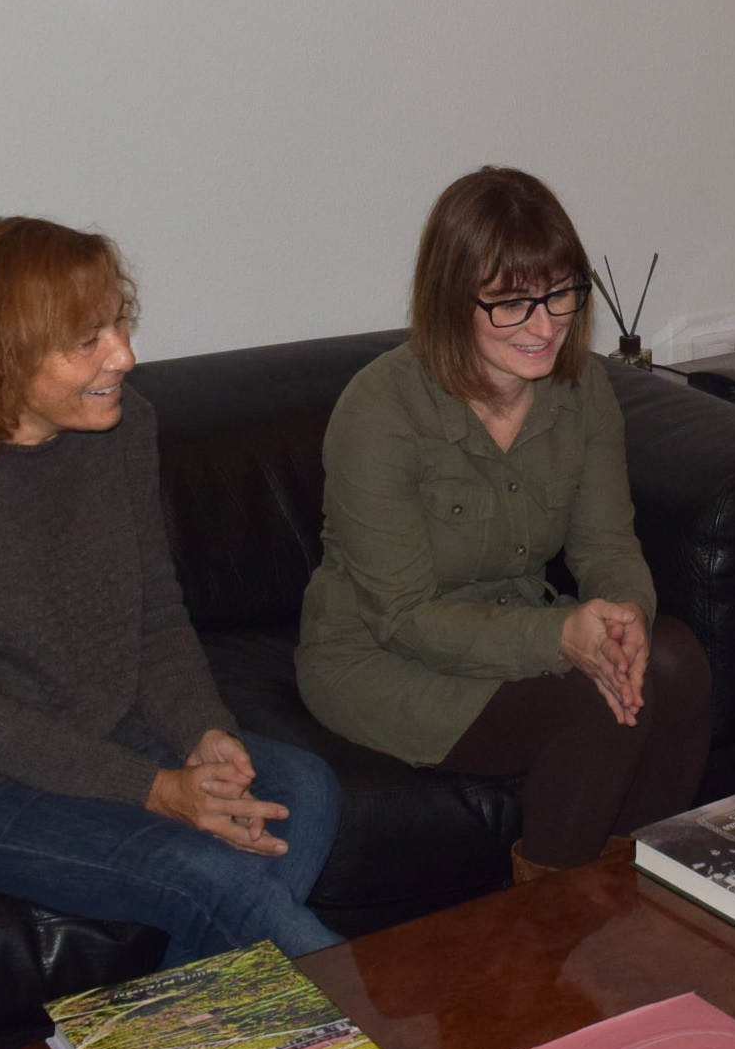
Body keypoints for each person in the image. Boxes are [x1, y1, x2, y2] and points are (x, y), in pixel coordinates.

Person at [0, 218, 342, 967]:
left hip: (101, 732)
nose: (124, 356)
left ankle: (179, 1037)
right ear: (0, 355)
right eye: (87, 341)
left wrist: (204, 730)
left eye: (117, 323)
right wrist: (158, 790)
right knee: (201, 869)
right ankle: (371, 1023)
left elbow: (155, 615)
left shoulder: (123, 426)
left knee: (300, 788)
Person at [296, 166, 711, 877]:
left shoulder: (582, 389)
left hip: (509, 625)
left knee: (674, 663)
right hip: (381, 656)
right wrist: (561, 637)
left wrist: (625, 620)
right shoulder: (380, 412)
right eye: (512, 304)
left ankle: (644, 903)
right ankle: (552, 927)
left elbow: (607, 545)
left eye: (560, 294)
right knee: (595, 702)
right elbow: (402, 615)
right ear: (450, 298)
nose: (545, 326)